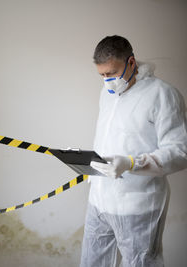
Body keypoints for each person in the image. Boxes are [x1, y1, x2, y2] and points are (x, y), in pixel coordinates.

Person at [80, 35, 187, 267]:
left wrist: (131, 163)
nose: (107, 81)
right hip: (99, 199)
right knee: (92, 262)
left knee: (139, 263)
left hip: (137, 204)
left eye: (111, 73)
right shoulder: (107, 94)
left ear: (131, 62)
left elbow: (180, 151)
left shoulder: (162, 95)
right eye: (102, 75)